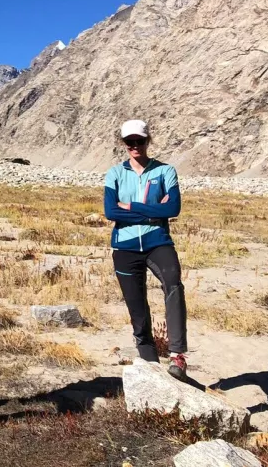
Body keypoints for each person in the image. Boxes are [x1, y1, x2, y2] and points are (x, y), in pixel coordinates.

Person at [103, 120, 188, 381]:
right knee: (136, 305)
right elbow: (110, 211)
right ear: (123, 144)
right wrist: (152, 211)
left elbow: (172, 209)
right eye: (130, 142)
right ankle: (149, 360)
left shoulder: (165, 172)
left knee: (173, 284)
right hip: (124, 247)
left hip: (158, 242)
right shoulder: (114, 174)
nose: (135, 146)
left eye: (139, 141)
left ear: (148, 141)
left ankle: (177, 354)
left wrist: (130, 208)